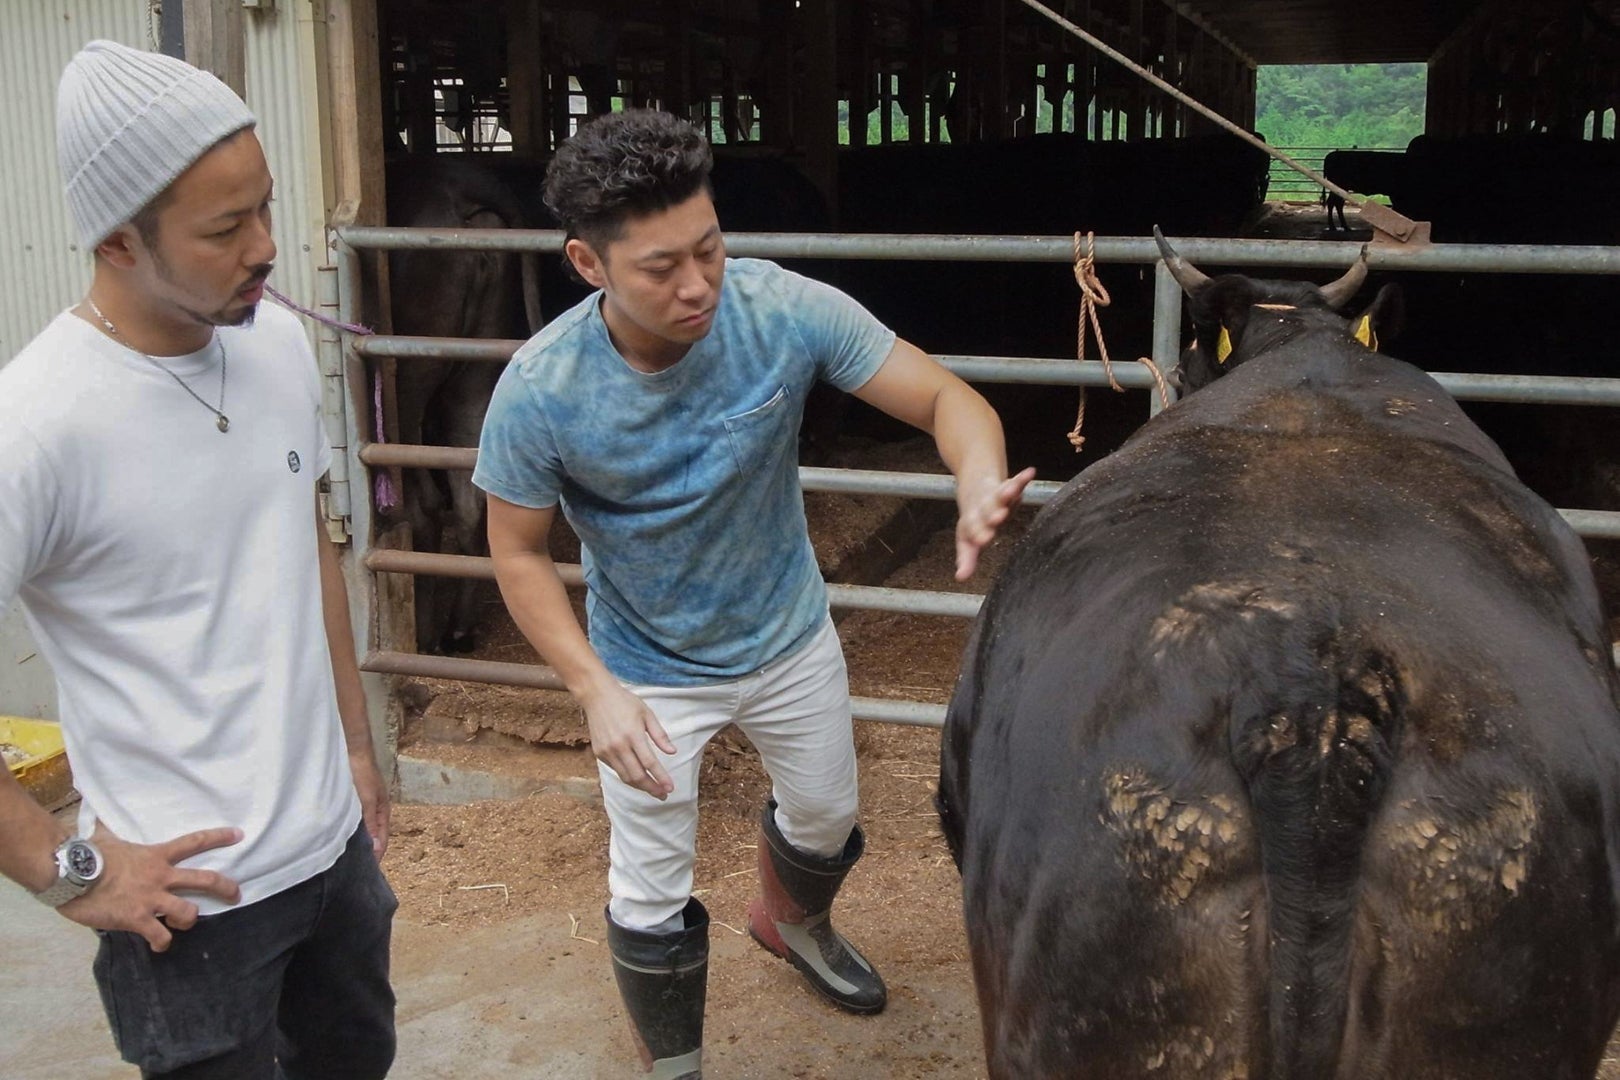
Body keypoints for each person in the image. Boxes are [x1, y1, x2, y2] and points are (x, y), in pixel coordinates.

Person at [475, 108, 1035, 1077]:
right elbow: (516, 551)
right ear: (587, 263)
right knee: (649, 886)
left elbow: (947, 399)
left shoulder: (779, 307)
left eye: (709, 248)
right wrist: (594, 689)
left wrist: (976, 476)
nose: (697, 285)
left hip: (787, 636)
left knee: (826, 819)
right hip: (645, 669)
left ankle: (792, 924)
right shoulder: (541, 390)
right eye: (661, 268)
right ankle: (675, 1065)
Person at [0, 40, 394, 1079]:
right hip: (189, 903)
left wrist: (356, 751)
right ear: (119, 242)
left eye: (265, 207)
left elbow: (303, 546)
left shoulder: (270, 343)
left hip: (335, 860)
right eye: (226, 229)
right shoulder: (35, 426)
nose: (266, 247)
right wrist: (66, 871)